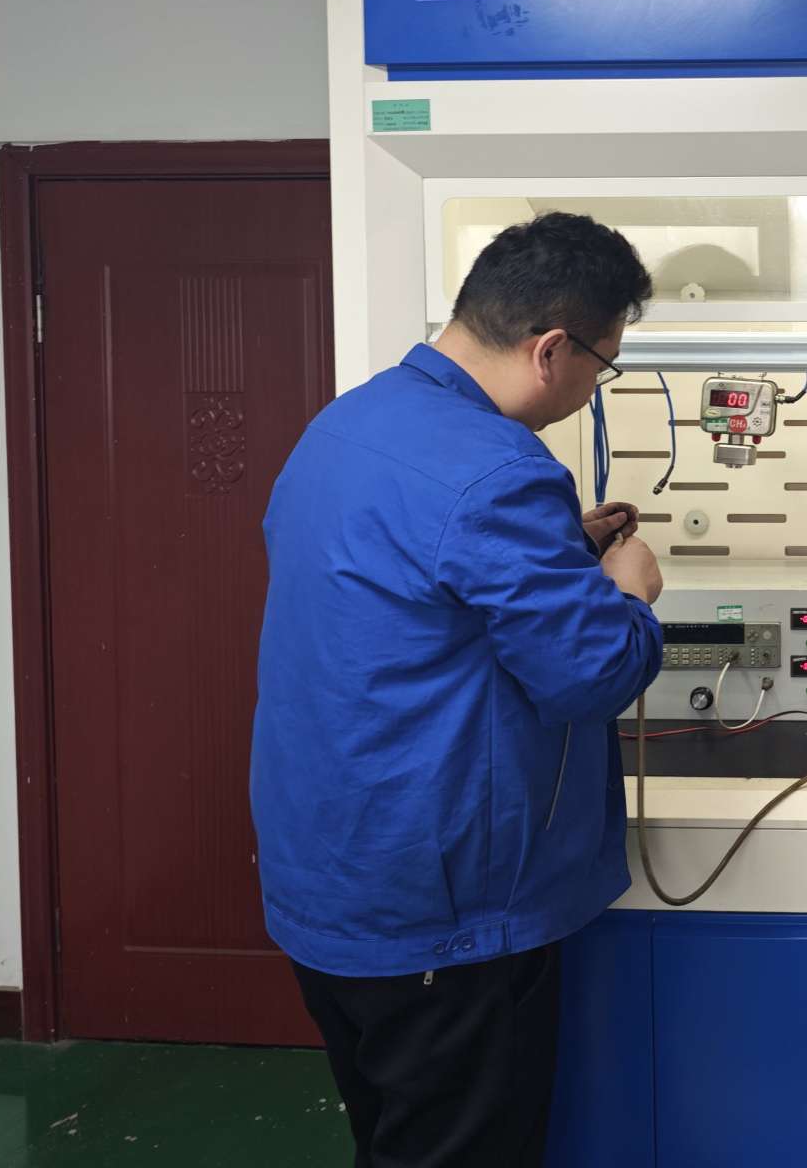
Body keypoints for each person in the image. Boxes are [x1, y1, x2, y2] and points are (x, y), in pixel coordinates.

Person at [250, 212, 666, 1168]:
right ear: (551, 349)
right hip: (443, 916)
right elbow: (592, 672)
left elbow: (404, 595)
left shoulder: (346, 423)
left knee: (393, 1136)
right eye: (603, 364)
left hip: (332, 875)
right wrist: (627, 594)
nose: (592, 389)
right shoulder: (498, 470)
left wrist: (558, 554)